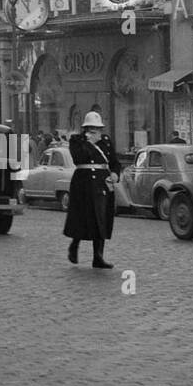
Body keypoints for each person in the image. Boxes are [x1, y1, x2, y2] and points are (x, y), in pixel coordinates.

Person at [63, 110, 120, 268]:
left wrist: (115, 174)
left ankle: (98, 256)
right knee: (81, 218)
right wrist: (89, 142)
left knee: (101, 219)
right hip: (83, 183)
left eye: (98, 128)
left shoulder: (106, 141)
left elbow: (114, 162)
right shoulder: (77, 141)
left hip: (102, 183)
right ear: (85, 129)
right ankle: (74, 246)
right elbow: (79, 158)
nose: (96, 132)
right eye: (92, 128)